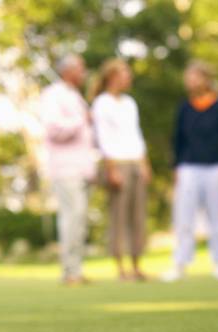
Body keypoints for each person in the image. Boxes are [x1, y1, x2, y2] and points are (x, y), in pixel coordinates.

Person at [163, 61, 218, 282]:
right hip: (189, 166)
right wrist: (176, 166)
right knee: (184, 217)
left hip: (216, 166)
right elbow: (178, 139)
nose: (190, 81)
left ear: (206, 79)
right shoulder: (185, 108)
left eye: (195, 77)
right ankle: (180, 263)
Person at [91, 59, 152, 281]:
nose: (129, 77)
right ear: (112, 77)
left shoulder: (129, 103)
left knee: (138, 216)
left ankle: (137, 264)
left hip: (135, 162)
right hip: (117, 164)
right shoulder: (101, 103)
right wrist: (111, 169)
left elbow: (136, 134)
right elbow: (103, 138)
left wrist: (144, 164)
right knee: (118, 216)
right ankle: (120, 267)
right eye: (125, 73)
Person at [40, 54, 97, 285]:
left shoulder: (76, 96)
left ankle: (76, 268)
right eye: (81, 68)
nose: (84, 73)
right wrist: (81, 120)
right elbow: (54, 129)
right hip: (65, 169)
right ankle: (69, 270)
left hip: (83, 169)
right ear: (68, 71)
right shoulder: (53, 95)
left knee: (80, 219)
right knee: (71, 218)